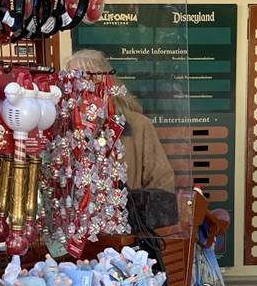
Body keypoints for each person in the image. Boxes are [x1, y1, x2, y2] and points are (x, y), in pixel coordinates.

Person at [64, 49, 175, 192]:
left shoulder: (138, 126)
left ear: (108, 84)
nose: (85, 90)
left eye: (92, 81)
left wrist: (131, 202)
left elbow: (163, 184)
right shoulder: (63, 130)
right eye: (76, 82)